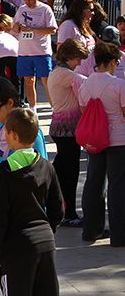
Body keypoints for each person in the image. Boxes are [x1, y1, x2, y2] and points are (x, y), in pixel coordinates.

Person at [0, 107, 64, 296]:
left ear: (13, 135)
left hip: (17, 247)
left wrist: (0, 253)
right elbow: (57, 209)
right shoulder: (47, 166)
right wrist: (46, 231)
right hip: (45, 244)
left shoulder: (4, 171)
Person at [76, 41, 125, 246]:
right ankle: (120, 235)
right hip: (119, 140)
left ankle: (91, 230)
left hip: (94, 141)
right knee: (118, 185)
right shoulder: (119, 85)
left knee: (94, 183)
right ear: (112, 62)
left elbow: (82, 110)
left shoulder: (85, 84)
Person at [46, 38, 88, 228]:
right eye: (78, 59)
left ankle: (60, 210)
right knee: (70, 174)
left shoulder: (57, 72)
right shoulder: (66, 74)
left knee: (61, 172)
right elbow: (90, 84)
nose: (79, 63)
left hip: (59, 128)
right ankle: (69, 213)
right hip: (68, 131)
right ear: (71, 56)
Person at [12, 0, 58, 111]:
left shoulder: (45, 9)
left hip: (41, 51)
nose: (28, 2)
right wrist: (18, 27)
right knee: (28, 80)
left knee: (46, 80)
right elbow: (14, 27)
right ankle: (33, 108)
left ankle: (54, 108)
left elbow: (53, 29)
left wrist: (34, 29)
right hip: (24, 52)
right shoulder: (21, 9)